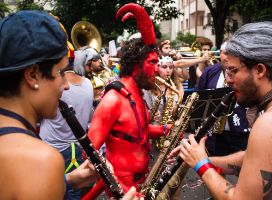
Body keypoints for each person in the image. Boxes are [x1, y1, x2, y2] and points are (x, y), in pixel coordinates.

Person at [0, 10, 144, 200]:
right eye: (61, 73)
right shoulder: (40, 160)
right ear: (33, 75)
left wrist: (68, 181)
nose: (66, 85)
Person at [171, 21, 272, 200]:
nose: (228, 80)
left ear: (260, 70)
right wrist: (199, 158)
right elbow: (254, 158)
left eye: (232, 71)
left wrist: (201, 164)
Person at [84, 4, 171, 199]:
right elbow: (89, 154)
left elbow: (139, 132)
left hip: (143, 182)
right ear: (134, 65)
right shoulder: (113, 100)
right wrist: (123, 190)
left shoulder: (137, 94)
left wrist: (167, 130)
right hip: (123, 189)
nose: (158, 69)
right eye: (152, 63)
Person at [39, 42, 94, 199]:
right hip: (79, 148)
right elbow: (89, 118)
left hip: (53, 150)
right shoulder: (89, 84)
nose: (66, 86)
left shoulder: (52, 86)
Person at [197, 41, 250, 156]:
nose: (227, 57)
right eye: (225, 53)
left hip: (240, 132)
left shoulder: (245, 71)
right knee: (215, 168)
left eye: (231, 53)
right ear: (220, 53)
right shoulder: (210, 71)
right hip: (214, 135)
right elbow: (199, 96)